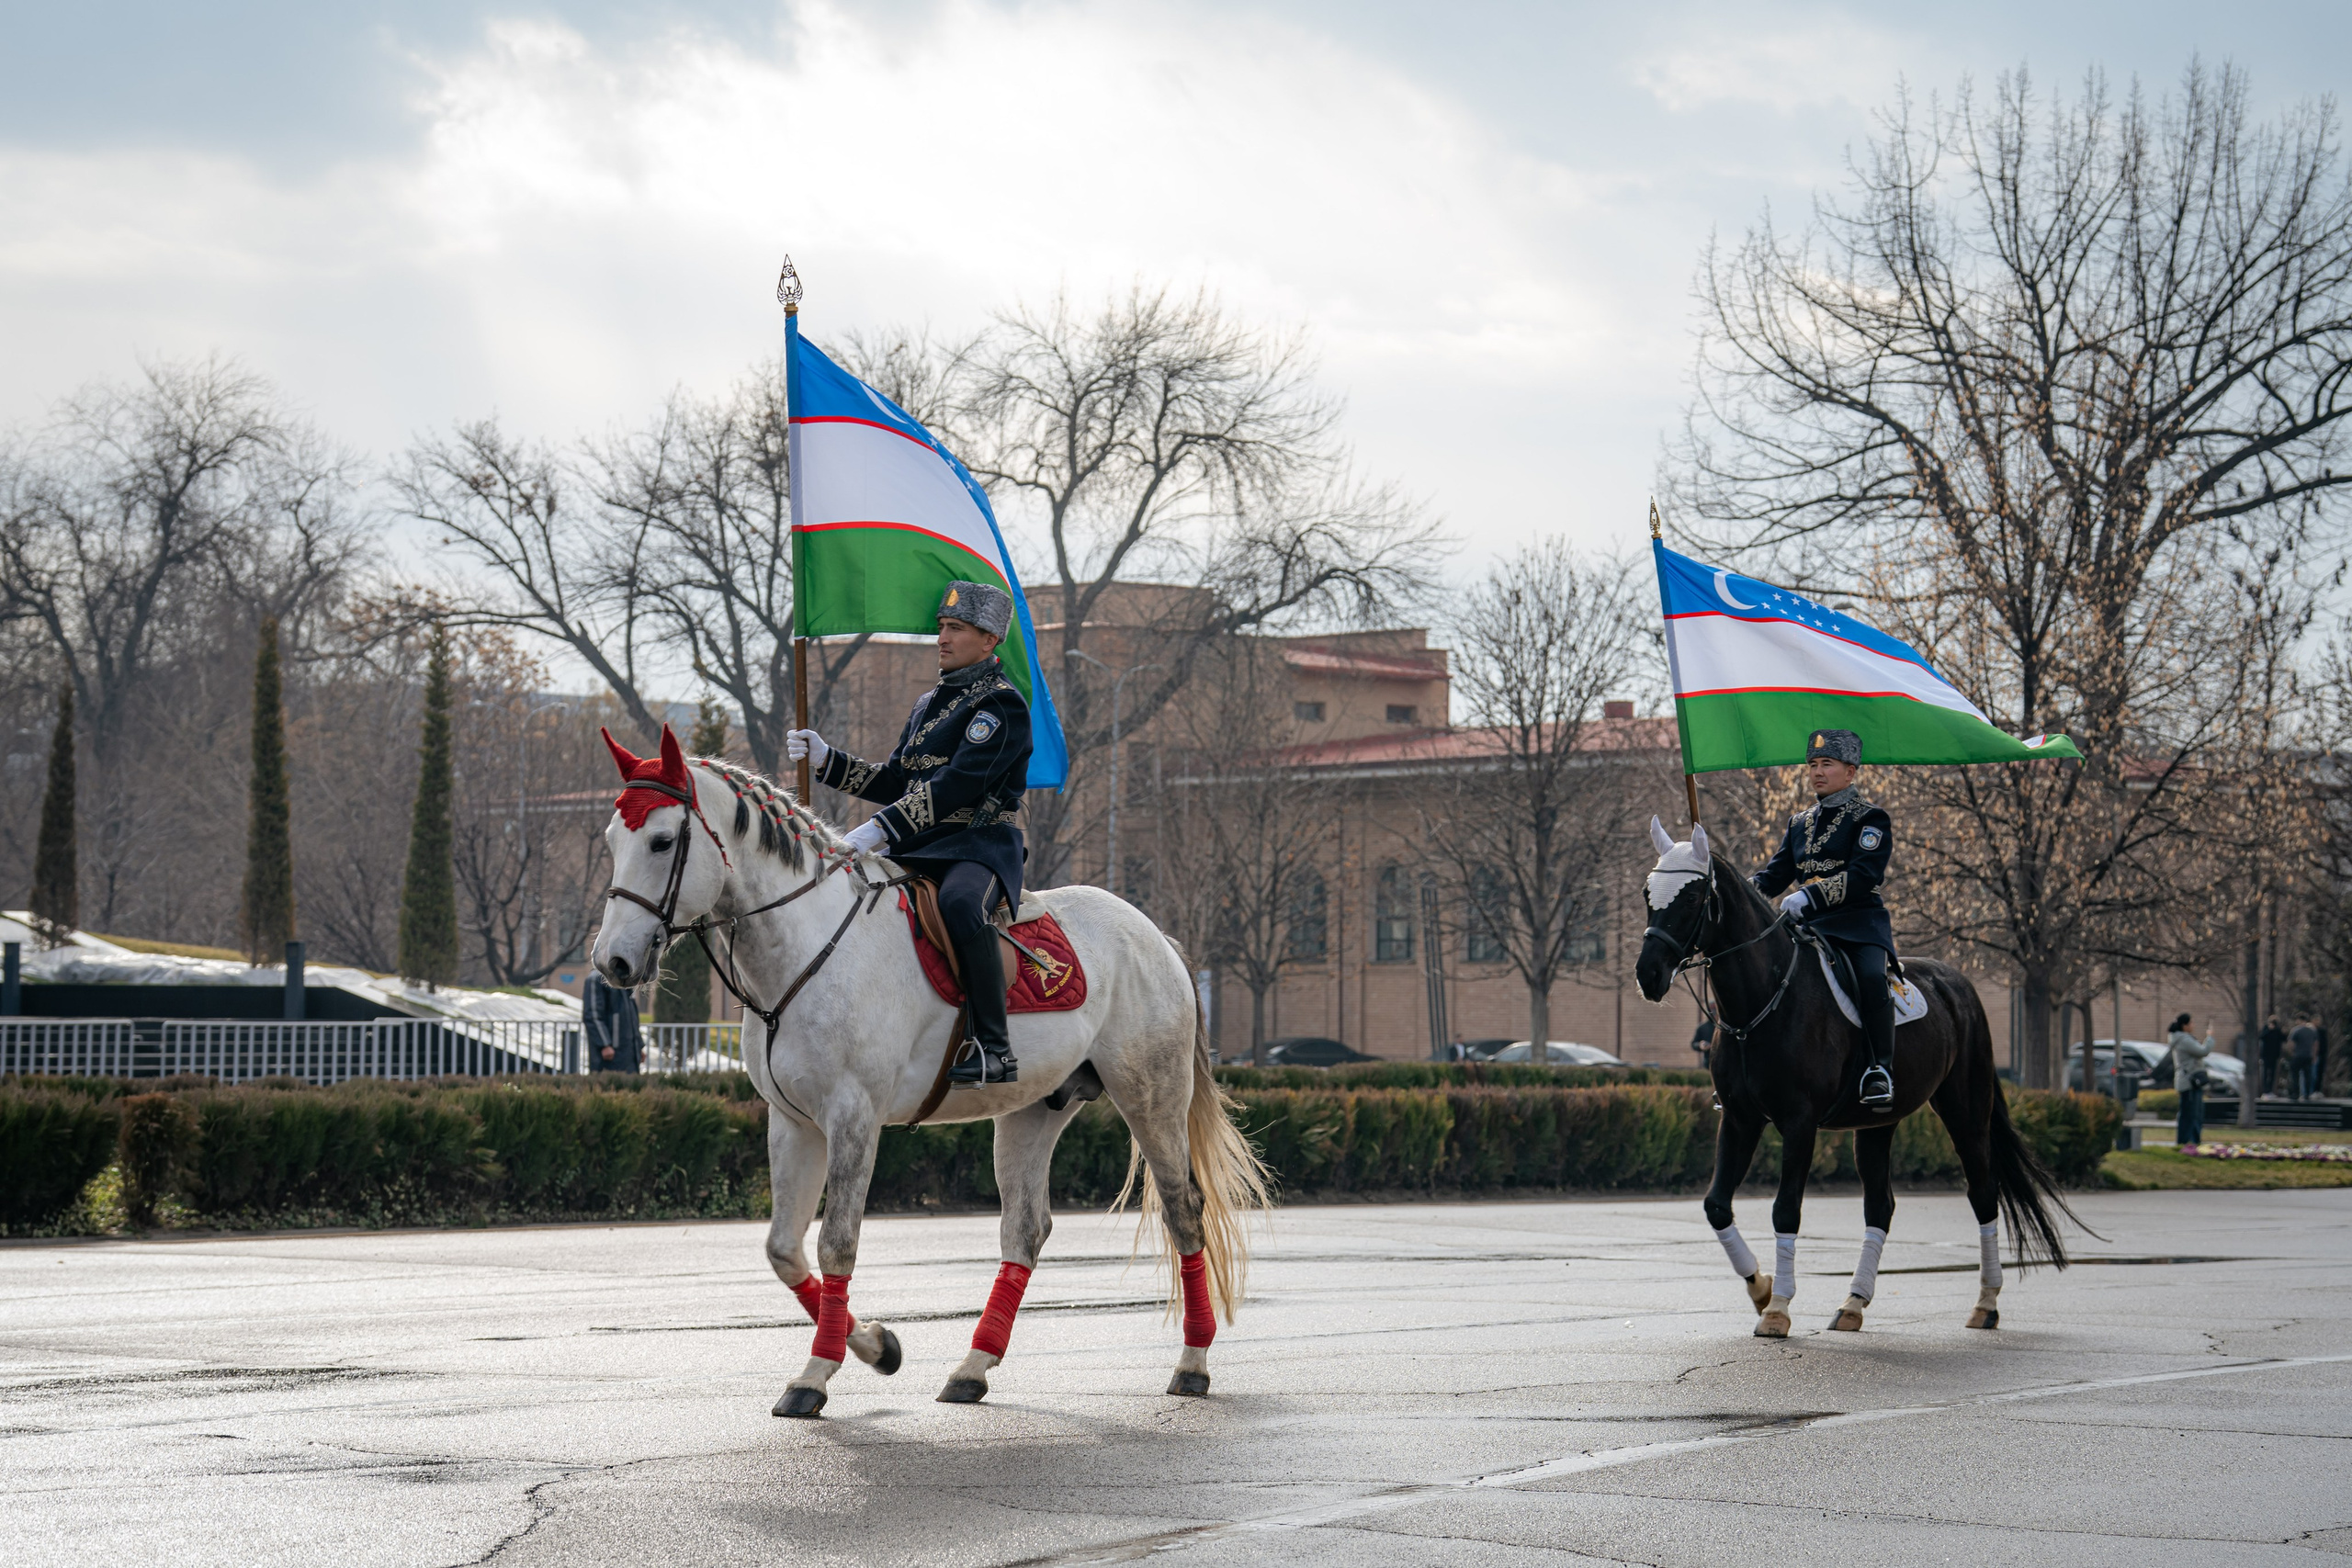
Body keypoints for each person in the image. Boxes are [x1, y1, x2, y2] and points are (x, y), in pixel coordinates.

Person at [788, 581, 1033, 1087]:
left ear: (989, 640)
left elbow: (955, 785)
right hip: (920, 846)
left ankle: (995, 1048)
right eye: (942, 628)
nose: (941, 639)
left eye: (956, 629)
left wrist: (879, 828)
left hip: (977, 846)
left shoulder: (1002, 707)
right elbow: (899, 778)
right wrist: (827, 761)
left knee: (963, 906)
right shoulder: (929, 704)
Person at [1752, 728, 1898, 1108]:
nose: (1817, 772)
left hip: (1856, 924)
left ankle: (1880, 1069)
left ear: (1850, 772)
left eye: (1826, 764)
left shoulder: (1871, 818)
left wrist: (1810, 894)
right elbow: (1774, 876)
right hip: (1808, 928)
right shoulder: (1798, 822)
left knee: (1869, 977)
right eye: (1813, 764)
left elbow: (1865, 875)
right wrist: (1738, 890)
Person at [582, 971, 642, 1073]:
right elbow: (593, 1016)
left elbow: (632, 1017)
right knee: (608, 1085)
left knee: (630, 1085)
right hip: (610, 1054)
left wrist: (639, 1046)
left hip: (629, 1052)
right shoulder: (596, 979)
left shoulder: (624, 978)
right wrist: (605, 1044)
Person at [2167, 1012, 2212, 1147]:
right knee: (2191, 1114)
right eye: (2191, 1023)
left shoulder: (2182, 1038)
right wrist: (2209, 1038)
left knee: (2192, 1113)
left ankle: (2190, 1141)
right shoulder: (2184, 1040)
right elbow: (2203, 1051)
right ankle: (2189, 1142)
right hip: (2189, 1082)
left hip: (2190, 1082)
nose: (2193, 1025)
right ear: (2184, 1025)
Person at [2290, 1018, 2320, 1101]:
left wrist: (2292, 1053)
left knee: (2295, 1075)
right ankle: (2306, 1094)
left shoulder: (2296, 1030)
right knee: (2308, 1075)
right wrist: (2314, 1055)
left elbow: (2291, 1043)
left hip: (2298, 1056)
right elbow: (2315, 1044)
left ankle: (2295, 1093)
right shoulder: (2312, 1031)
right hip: (2308, 1056)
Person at [2259, 1014, 2287, 1098]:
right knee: (2265, 1073)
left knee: (2273, 1073)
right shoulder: (2266, 1029)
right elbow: (2261, 1037)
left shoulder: (2278, 1030)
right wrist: (2269, 1030)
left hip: (2275, 1055)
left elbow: (2284, 1038)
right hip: (2266, 1055)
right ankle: (2265, 1090)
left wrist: (2283, 1031)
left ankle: (2270, 1090)